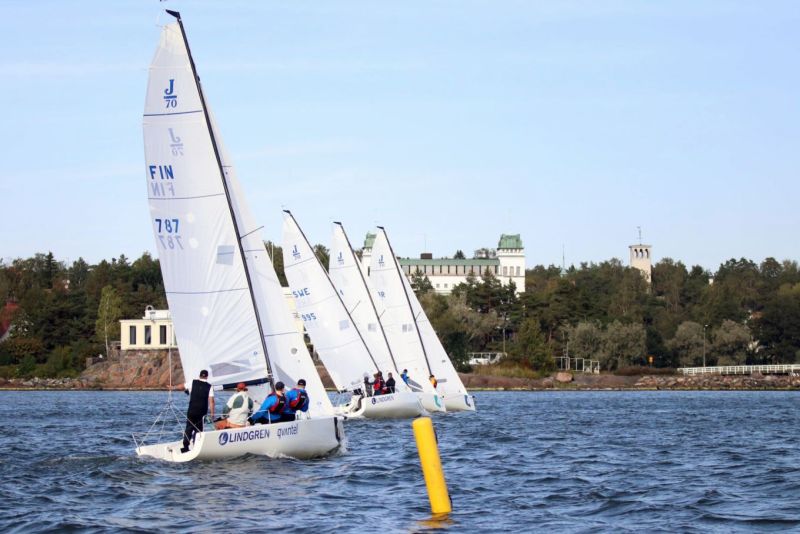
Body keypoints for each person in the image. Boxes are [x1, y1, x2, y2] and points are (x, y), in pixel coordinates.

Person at [175, 369, 215, 453]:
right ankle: (196, 446)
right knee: (199, 430)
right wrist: (212, 414)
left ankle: (185, 447)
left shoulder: (193, 382)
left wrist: (173, 387)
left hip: (192, 411)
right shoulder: (209, 386)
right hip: (202, 412)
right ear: (207, 377)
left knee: (188, 428)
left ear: (199, 376)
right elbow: (211, 401)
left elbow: (182, 386)